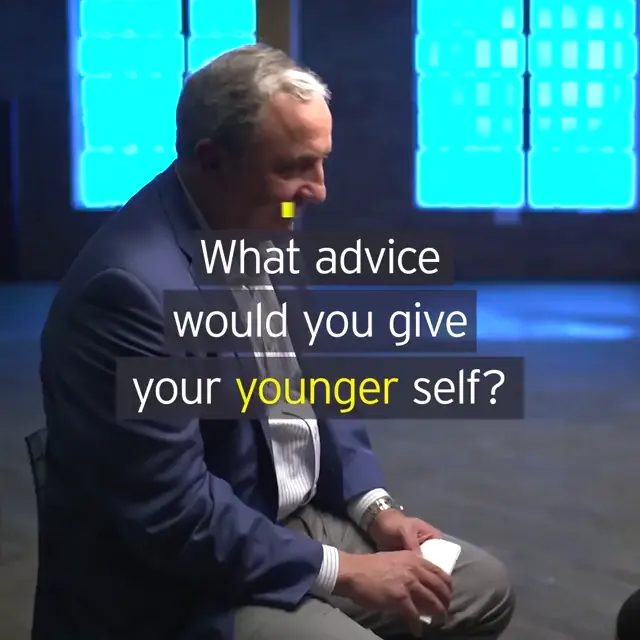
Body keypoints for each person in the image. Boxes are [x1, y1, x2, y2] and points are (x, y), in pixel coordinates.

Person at [34, 44, 514, 640]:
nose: (318, 190)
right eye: (293, 167)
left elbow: (323, 390)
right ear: (212, 161)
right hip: (176, 582)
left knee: (481, 586)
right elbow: (175, 515)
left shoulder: (260, 222)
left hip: (279, 518)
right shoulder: (128, 290)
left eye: (322, 162)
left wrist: (375, 509)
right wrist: (346, 571)